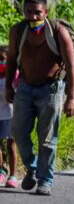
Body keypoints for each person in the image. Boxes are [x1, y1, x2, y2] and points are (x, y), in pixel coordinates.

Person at [5, 0, 74, 195]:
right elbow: (11, 59)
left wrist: (71, 97)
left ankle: (45, 180)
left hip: (51, 89)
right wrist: (8, 87)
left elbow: (71, 65)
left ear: (46, 12)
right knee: (18, 132)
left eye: (37, 12)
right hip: (25, 88)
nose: (33, 16)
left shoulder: (58, 32)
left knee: (47, 138)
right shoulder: (18, 31)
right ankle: (33, 167)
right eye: (29, 11)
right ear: (24, 12)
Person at [0, 46, 18, 188]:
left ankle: (12, 175)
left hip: (11, 114)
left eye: (3, 60)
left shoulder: (14, 77)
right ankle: (1, 171)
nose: (1, 63)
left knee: (11, 144)